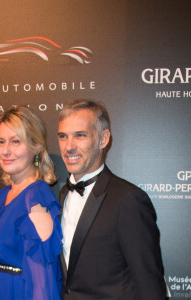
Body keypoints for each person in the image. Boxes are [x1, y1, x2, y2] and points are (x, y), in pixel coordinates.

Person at [57, 99, 166, 299]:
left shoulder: (128, 200)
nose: (69, 146)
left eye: (80, 136)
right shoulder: (63, 194)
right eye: (63, 137)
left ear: (103, 139)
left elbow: (150, 285)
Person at [0, 106, 62, 300]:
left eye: (16, 141)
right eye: (1, 142)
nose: (6, 150)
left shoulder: (36, 198)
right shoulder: (3, 195)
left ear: (37, 146)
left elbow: (44, 279)